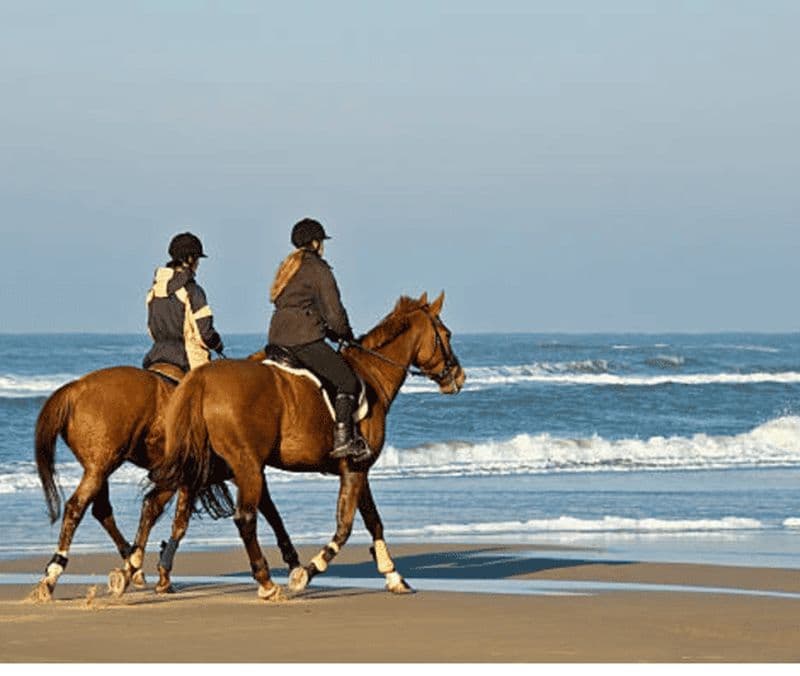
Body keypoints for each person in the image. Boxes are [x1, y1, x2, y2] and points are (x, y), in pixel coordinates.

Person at [268, 218, 362, 459]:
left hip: (277, 337)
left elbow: (297, 305)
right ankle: (344, 439)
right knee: (347, 381)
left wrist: (326, 330)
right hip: (303, 340)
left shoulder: (287, 268)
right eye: (321, 242)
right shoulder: (318, 268)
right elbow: (334, 311)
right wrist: (345, 333)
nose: (323, 246)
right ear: (315, 243)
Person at [143, 232, 224, 377]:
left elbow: (151, 329)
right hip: (187, 360)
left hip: (155, 356)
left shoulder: (154, 291)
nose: (198, 264)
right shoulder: (193, 291)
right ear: (190, 259)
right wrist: (217, 344)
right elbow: (205, 334)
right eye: (197, 259)